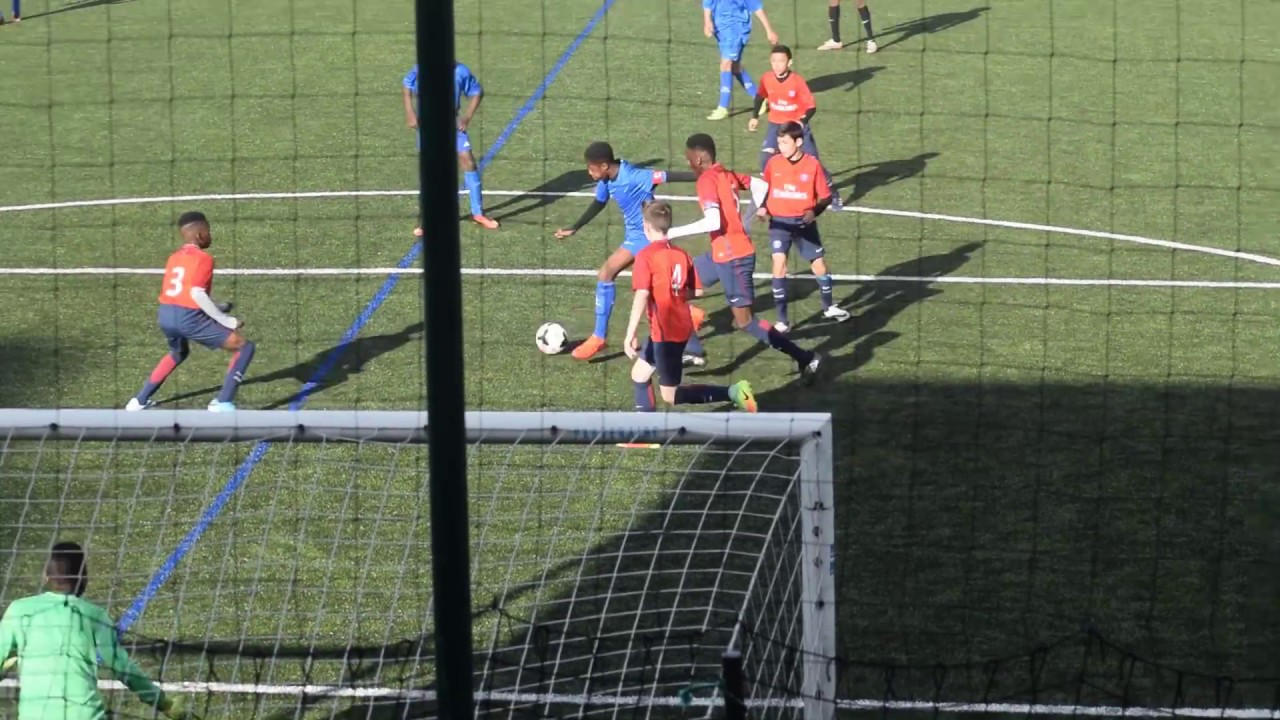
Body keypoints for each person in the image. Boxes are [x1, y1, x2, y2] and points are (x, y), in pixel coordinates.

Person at [668, 133, 822, 381]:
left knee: (746, 322)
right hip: (720, 254)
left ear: (698, 158)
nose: (688, 164)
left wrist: (671, 233)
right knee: (674, 289)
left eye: (688, 159)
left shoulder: (707, 180)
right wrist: (749, 216)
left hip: (734, 260)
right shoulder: (725, 174)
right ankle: (694, 350)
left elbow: (713, 220)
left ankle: (805, 357)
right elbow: (760, 186)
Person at [0, 542, 196, 720]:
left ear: (46, 575)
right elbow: (122, 666)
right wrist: (165, 704)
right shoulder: (95, 615)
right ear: (83, 577)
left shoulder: (19, 610)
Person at [555, 141, 706, 363]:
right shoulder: (607, 180)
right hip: (634, 237)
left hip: (649, 238)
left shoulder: (636, 176)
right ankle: (689, 313)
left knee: (615, 277)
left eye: (591, 168)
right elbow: (599, 203)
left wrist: (706, 175)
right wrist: (575, 226)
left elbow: (668, 176)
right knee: (637, 286)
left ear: (605, 165)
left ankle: (599, 337)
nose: (589, 172)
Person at [624, 202, 756, 412]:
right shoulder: (681, 254)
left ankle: (734, 392)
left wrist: (629, 334)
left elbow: (642, 294)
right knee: (639, 374)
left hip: (665, 333)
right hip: (679, 325)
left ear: (646, 225)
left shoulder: (646, 256)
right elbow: (698, 291)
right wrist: (674, 293)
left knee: (670, 395)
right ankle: (644, 432)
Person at [127, 211, 254, 412]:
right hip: (188, 318)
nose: (210, 235)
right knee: (244, 346)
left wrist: (217, 307)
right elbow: (196, 293)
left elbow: (183, 292)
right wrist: (226, 319)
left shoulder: (174, 257)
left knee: (178, 352)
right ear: (200, 235)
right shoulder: (204, 258)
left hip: (166, 314)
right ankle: (223, 402)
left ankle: (139, 401)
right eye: (208, 231)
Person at [758, 121, 851, 331]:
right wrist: (763, 207)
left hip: (803, 225)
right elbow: (764, 189)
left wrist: (814, 212)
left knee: (819, 266)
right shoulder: (773, 164)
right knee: (778, 264)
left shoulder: (812, 165)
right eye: (779, 142)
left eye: (784, 142)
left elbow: (826, 197)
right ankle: (782, 321)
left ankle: (828, 307)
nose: (780, 147)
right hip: (779, 224)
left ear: (798, 142)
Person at [402, 61, 499, 233]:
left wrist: (467, 117)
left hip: (452, 122)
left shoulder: (461, 70)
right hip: (428, 124)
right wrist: (410, 113)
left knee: (468, 161)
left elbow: (477, 92)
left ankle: (477, 213)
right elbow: (407, 84)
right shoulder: (423, 67)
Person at [748, 44, 840, 208]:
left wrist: (801, 122)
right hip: (775, 126)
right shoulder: (767, 78)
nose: (777, 65)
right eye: (774, 61)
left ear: (789, 62)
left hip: (796, 128)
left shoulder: (797, 81)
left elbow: (811, 107)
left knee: (813, 163)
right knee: (765, 158)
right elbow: (760, 96)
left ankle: (831, 188)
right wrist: (754, 117)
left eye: (781, 61)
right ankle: (772, 192)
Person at [702, 0, 779, 121]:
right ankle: (759, 98)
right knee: (735, 67)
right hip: (720, 29)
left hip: (736, 29)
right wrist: (707, 21)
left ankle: (723, 107)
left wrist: (769, 30)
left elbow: (757, 8)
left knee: (726, 64)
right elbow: (708, 2)